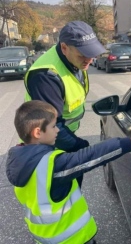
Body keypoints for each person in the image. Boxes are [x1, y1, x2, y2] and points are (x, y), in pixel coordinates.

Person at [6, 100, 131, 244]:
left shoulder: (19, 158)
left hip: (44, 238)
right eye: (53, 126)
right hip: (72, 239)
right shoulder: (52, 165)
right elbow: (91, 156)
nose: (58, 130)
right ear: (38, 132)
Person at [24, 21, 106, 155]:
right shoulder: (45, 76)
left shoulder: (74, 60)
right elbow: (50, 126)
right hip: (48, 145)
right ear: (64, 48)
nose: (89, 60)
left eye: (91, 54)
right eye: (82, 55)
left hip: (62, 136)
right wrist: (81, 148)